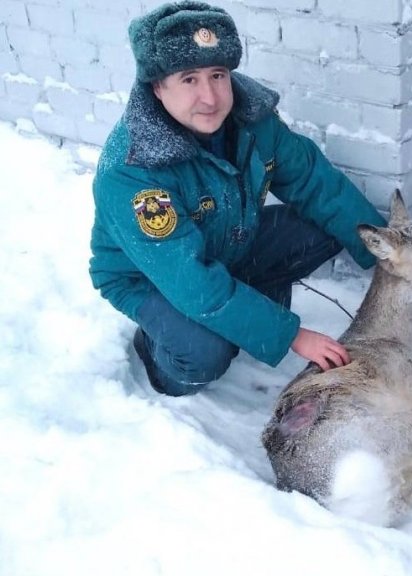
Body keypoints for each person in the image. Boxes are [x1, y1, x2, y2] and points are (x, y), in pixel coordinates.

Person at [89, 1, 386, 396]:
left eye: (218, 75)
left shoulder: (252, 119)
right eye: (189, 79)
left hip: (226, 239)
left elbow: (316, 183)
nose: (210, 97)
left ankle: (246, 304)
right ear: (158, 87)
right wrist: (293, 336)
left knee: (329, 223)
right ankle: (160, 352)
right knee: (206, 353)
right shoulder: (133, 170)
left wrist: (386, 252)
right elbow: (191, 283)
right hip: (151, 277)